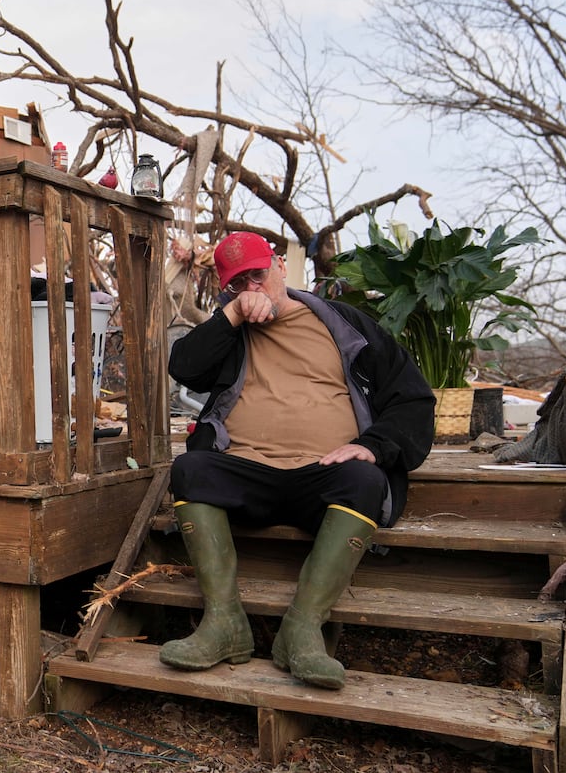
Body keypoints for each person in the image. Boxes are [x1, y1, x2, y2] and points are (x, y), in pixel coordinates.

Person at [162, 231, 435, 689]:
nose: (252, 288)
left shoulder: (347, 327)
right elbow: (184, 367)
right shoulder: (230, 331)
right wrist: (229, 315)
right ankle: (224, 623)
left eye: (258, 275)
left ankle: (303, 628)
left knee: (366, 481)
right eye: (238, 284)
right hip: (248, 472)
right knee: (190, 469)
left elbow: (413, 399)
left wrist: (373, 445)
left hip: (322, 475)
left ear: (281, 268)